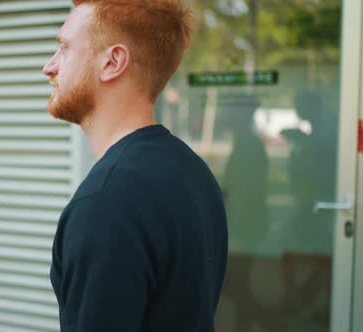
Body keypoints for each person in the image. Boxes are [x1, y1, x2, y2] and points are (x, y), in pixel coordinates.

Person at [42, 1, 228, 331]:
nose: (49, 67)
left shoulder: (104, 203)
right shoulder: (195, 173)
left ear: (112, 62)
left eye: (64, 48)